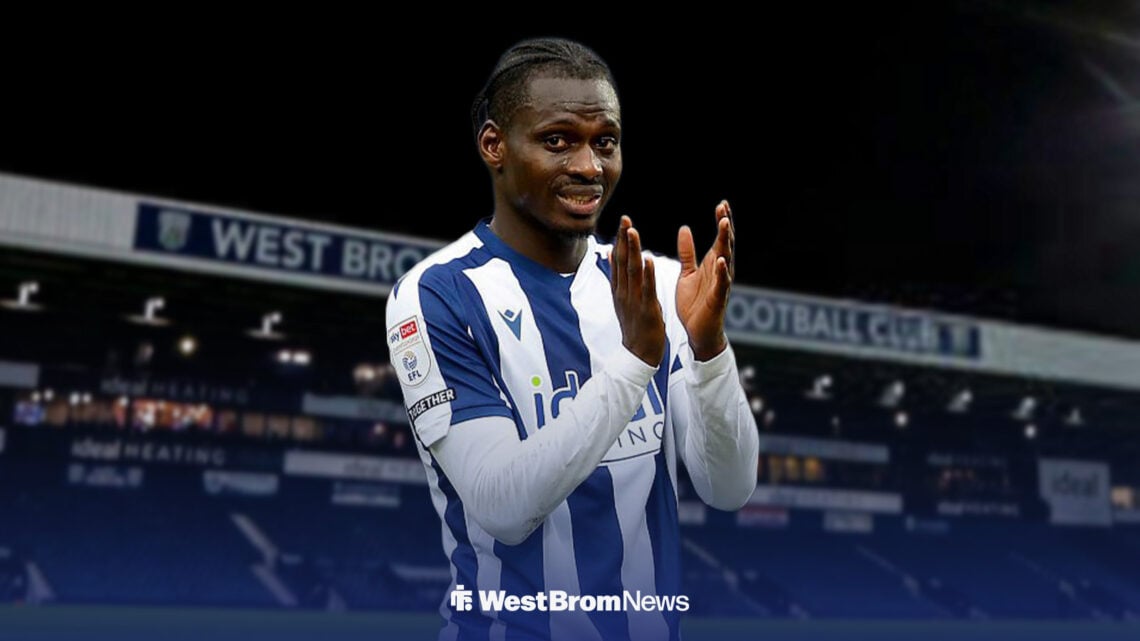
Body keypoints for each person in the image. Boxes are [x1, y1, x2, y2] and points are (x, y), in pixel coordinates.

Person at [385, 37, 759, 641]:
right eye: (557, 140)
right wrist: (636, 360)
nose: (589, 167)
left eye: (604, 142)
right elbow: (502, 508)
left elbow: (729, 488)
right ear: (494, 146)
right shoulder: (436, 296)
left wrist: (711, 351)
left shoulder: (661, 286)